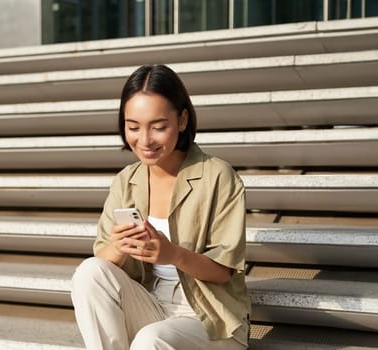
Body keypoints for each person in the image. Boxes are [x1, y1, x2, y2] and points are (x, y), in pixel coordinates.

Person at [70, 64, 250, 350]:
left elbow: (223, 271)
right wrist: (120, 246)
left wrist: (172, 254)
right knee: (90, 272)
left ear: (182, 120)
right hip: (151, 303)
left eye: (158, 127)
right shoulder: (126, 181)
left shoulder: (217, 175)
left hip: (210, 317)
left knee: (150, 340)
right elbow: (102, 258)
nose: (145, 140)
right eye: (133, 127)